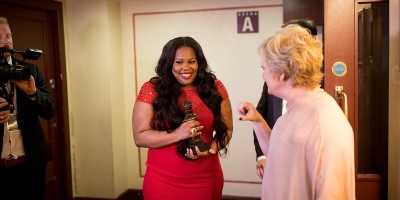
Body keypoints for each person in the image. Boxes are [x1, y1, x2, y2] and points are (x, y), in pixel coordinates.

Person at [238, 24, 355, 199]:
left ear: (281, 73)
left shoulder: (323, 122)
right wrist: (257, 120)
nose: (263, 76)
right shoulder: (295, 110)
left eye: (264, 68)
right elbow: (279, 154)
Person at [132, 36, 233, 200]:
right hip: (162, 182)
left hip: (206, 181)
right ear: (169, 63)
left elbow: (227, 129)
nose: (186, 67)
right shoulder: (152, 89)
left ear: (199, 63)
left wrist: (210, 149)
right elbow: (140, 137)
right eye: (178, 62)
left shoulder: (215, 87)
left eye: (191, 61)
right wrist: (179, 133)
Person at [253, 19, 318, 179]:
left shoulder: (322, 116)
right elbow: (262, 114)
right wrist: (263, 155)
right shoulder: (274, 83)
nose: (264, 75)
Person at [0, 17, 55, 200]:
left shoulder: (29, 70)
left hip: (30, 163)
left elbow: (49, 111)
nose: (6, 41)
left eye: (9, 35)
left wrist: (33, 93)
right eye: (0, 36)